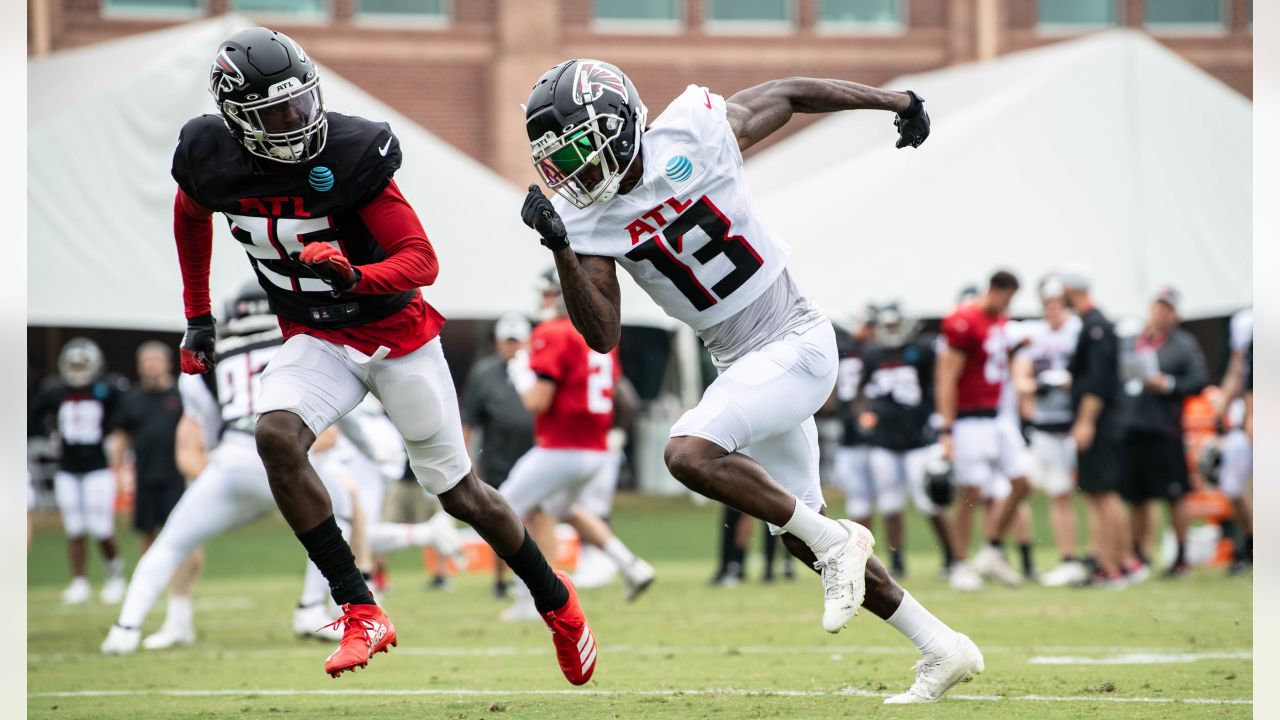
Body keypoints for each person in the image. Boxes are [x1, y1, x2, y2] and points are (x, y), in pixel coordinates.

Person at [519, 59, 980, 703]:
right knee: (799, 535)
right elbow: (602, 336)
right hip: (742, 362)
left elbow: (788, 93)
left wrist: (896, 99)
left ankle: (839, 541)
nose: (573, 170)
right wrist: (562, 247)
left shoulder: (692, 134)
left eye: (577, 148)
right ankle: (942, 647)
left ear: (619, 126)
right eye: (558, 156)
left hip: (795, 337)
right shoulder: (587, 219)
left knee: (688, 452)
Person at [170, 28, 595, 683]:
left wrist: (355, 276)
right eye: (275, 112)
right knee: (276, 435)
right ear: (236, 117)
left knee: (463, 497)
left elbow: (421, 259)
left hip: (397, 337)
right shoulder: (207, 153)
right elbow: (191, 213)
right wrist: (198, 315)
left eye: (302, 103)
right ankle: (360, 607)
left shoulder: (350, 150)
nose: (296, 120)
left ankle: (557, 603)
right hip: (314, 336)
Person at [499, 267, 656, 620]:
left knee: (501, 511)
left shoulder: (553, 332)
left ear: (562, 294)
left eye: (548, 293)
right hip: (596, 451)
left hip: (561, 448)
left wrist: (520, 372)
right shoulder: (597, 333)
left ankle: (533, 596)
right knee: (560, 510)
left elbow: (536, 401)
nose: (542, 301)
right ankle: (630, 566)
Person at [935, 271, 1032, 591]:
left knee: (1021, 483)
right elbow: (947, 377)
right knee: (970, 494)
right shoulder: (964, 321)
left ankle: (991, 549)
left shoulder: (1001, 323)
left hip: (998, 417)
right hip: (968, 419)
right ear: (995, 290)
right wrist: (947, 429)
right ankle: (961, 563)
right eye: (1007, 297)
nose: (1008, 304)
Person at [28, 338, 129, 605]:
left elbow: (122, 414)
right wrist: (48, 431)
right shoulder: (55, 391)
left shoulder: (105, 389)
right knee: (74, 527)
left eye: (82, 363)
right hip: (67, 468)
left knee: (101, 525)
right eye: (73, 364)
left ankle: (114, 575)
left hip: (97, 467)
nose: (77, 368)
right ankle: (79, 581)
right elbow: (31, 415)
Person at [1116, 287, 1208, 578]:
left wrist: (1167, 384)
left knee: (1174, 494)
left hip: (1164, 429)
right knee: (1137, 497)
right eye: (1157, 307)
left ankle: (1181, 557)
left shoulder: (1183, 344)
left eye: (1167, 309)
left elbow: (1198, 380)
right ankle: (1138, 554)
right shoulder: (1135, 339)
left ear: (1175, 314)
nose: (1160, 313)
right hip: (1133, 426)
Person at [858, 303, 954, 578]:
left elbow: (935, 386)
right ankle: (897, 560)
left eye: (894, 325)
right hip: (884, 441)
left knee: (929, 500)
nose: (891, 331)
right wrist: (865, 413)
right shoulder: (873, 353)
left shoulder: (921, 351)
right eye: (886, 326)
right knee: (890, 504)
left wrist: (934, 421)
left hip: (917, 441)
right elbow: (863, 391)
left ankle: (951, 555)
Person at [1061, 272, 1144, 587]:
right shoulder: (1093, 323)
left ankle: (1111, 567)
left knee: (1104, 493)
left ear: (1071, 290)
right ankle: (1122, 563)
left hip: (1099, 423)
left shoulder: (1096, 326)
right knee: (1099, 493)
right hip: (1103, 421)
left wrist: (1085, 421)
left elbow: (1098, 381)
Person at [1012, 277, 1086, 587]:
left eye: (1058, 303)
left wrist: (1072, 383)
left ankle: (1109, 556)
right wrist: (1040, 386)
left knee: (1097, 493)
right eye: (1048, 304)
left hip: (1079, 421)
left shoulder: (1079, 331)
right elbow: (1020, 380)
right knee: (1059, 493)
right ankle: (1069, 558)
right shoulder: (1033, 335)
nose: (1052, 309)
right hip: (1048, 424)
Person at [111, 343, 197, 609]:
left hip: (176, 477)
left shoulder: (180, 395)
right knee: (146, 533)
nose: (150, 365)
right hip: (145, 477)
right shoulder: (132, 398)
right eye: (145, 361)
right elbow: (121, 436)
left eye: (155, 360)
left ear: (167, 363)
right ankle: (151, 585)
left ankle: (178, 587)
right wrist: (117, 470)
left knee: (179, 534)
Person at [462, 312, 536, 598]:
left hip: (533, 453)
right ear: (497, 342)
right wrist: (466, 460)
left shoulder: (538, 367)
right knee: (498, 518)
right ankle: (500, 581)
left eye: (517, 341)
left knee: (535, 516)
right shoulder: (484, 373)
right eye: (508, 341)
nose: (512, 346)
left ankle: (535, 578)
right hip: (497, 456)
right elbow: (470, 419)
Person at [1214, 308, 1252, 574]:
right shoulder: (1246, 323)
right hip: (1248, 415)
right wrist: (1223, 407)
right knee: (1232, 485)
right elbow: (1239, 370)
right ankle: (1250, 543)